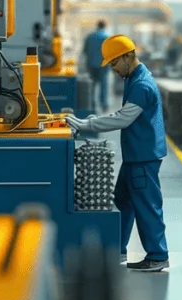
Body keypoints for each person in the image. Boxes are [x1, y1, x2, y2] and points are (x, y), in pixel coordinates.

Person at [66, 35, 169, 271]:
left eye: (114, 62)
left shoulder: (142, 85)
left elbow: (123, 118)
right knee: (123, 200)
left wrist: (87, 124)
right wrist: (93, 120)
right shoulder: (134, 78)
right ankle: (118, 248)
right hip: (135, 154)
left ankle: (157, 255)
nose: (112, 68)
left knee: (147, 205)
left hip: (143, 158)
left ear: (128, 56)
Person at [82, 20, 111, 111]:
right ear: (105, 26)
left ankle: (91, 103)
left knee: (92, 85)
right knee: (103, 85)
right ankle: (103, 104)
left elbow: (85, 51)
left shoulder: (90, 37)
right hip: (103, 66)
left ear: (97, 26)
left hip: (91, 65)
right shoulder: (107, 38)